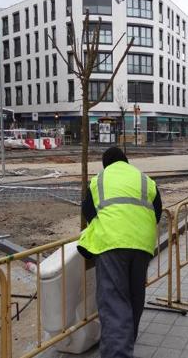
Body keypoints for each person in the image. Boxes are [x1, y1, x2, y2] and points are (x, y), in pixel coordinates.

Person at [77, 147, 162, 358]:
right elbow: (157, 211)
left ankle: (118, 352)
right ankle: (125, 342)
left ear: (106, 164)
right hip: (142, 245)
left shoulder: (100, 180)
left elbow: (88, 211)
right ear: (126, 161)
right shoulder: (144, 179)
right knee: (134, 297)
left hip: (112, 244)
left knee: (114, 301)